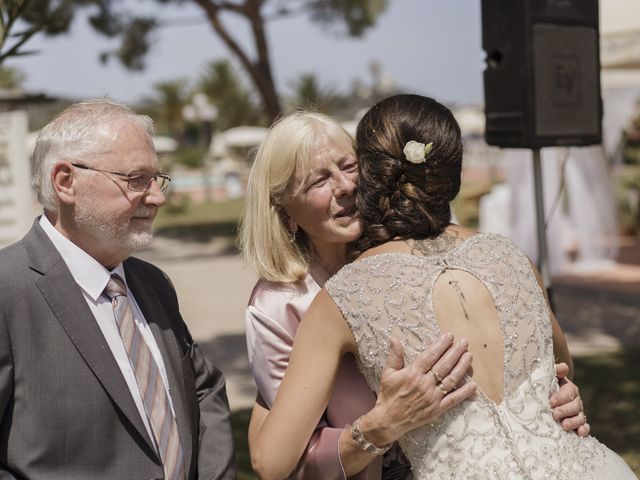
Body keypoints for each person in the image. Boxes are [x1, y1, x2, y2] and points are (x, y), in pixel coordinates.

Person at [248, 95, 637, 480]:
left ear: (373, 170)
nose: (345, 186)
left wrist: (560, 395)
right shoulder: (288, 305)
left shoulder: (347, 291)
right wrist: (381, 425)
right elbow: (273, 460)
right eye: (318, 179)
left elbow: (559, 367)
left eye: (349, 166)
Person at [0, 99, 235, 479]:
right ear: (66, 182)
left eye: (157, 180)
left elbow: (203, 391)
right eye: (136, 179)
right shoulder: (8, 289)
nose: (157, 197)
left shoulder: (151, 283)